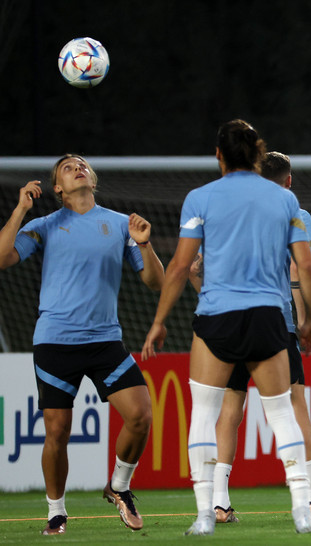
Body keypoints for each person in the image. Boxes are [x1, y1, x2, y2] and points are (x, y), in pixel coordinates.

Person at [141, 120, 311, 536]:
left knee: (205, 413)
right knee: (281, 413)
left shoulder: (200, 198)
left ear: (218, 155)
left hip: (217, 317)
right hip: (267, 316)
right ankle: (301, 509)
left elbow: (183, 266)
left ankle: (206, 514)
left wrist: (159, 322)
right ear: (257, 154)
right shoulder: (283, 200)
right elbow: (306, 264)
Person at [0, 154, 165, 535]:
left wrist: (146, 244)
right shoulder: (45, 225)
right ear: (58, 187)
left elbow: (154, 282)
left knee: (141, 416)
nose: (77, 167)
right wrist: (21, 209)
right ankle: (56, 511)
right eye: (67, 166)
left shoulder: (122, 223)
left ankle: (119, 486)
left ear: (92, 177)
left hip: (105, 340)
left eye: (82, 164)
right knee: (57, 432)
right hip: (55, 344)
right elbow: (3, 257)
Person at [189, 151, 311, 523]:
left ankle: (218, 502)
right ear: (289, 182)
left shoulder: (230, 210)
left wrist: (199, 285)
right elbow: (303, 266)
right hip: (272, 323)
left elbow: (197, 269)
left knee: (227, 413)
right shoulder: (293, 211)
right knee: (293, 408)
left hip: (224, 322)